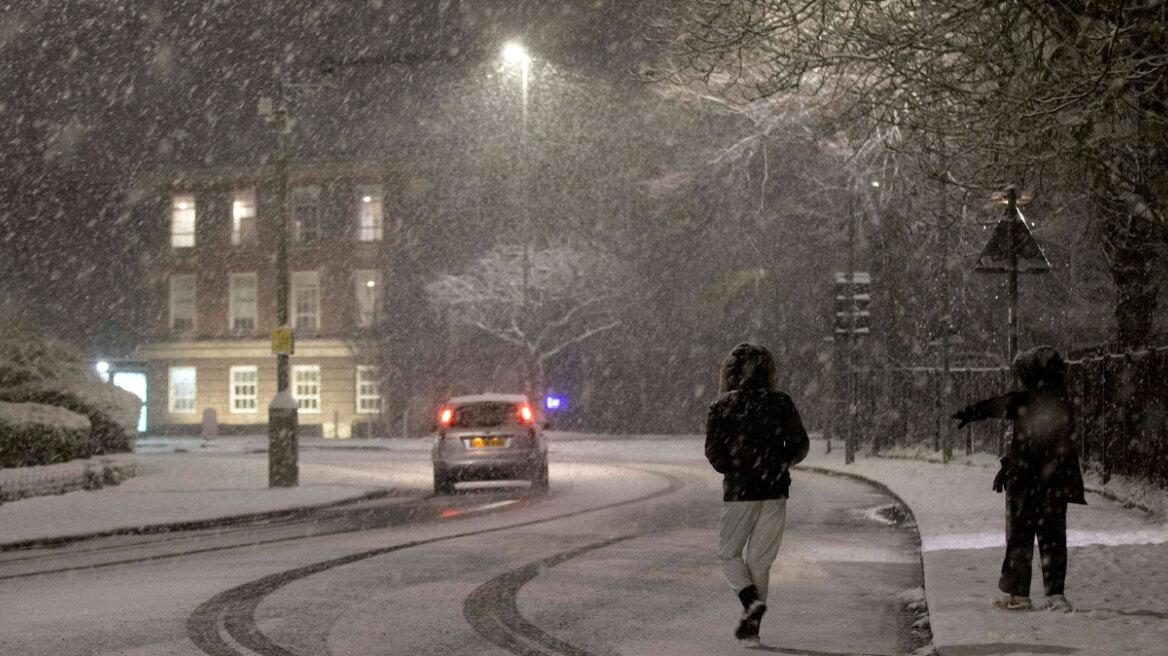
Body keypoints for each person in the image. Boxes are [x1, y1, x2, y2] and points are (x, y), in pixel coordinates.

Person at [952, 345, 1086, 613]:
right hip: (1055, 484)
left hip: (1029, 483)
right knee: (1053, 538)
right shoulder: (1061, 401)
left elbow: (1004, 409)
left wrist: (971, 412)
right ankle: (1055, 595)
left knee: (1021, 538)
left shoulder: (1030, 401)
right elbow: (1038, 443)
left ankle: (1019, 594)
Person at [705, 342, 810, 647]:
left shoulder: (720, 406)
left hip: (740, 493)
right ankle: (752, 629)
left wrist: (736, 467)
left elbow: (714, 453)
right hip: (775, 489)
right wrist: (778, 463)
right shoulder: (781, 402)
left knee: (728, 553)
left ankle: (751, 602)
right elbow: (800, 445)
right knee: (760, 562)